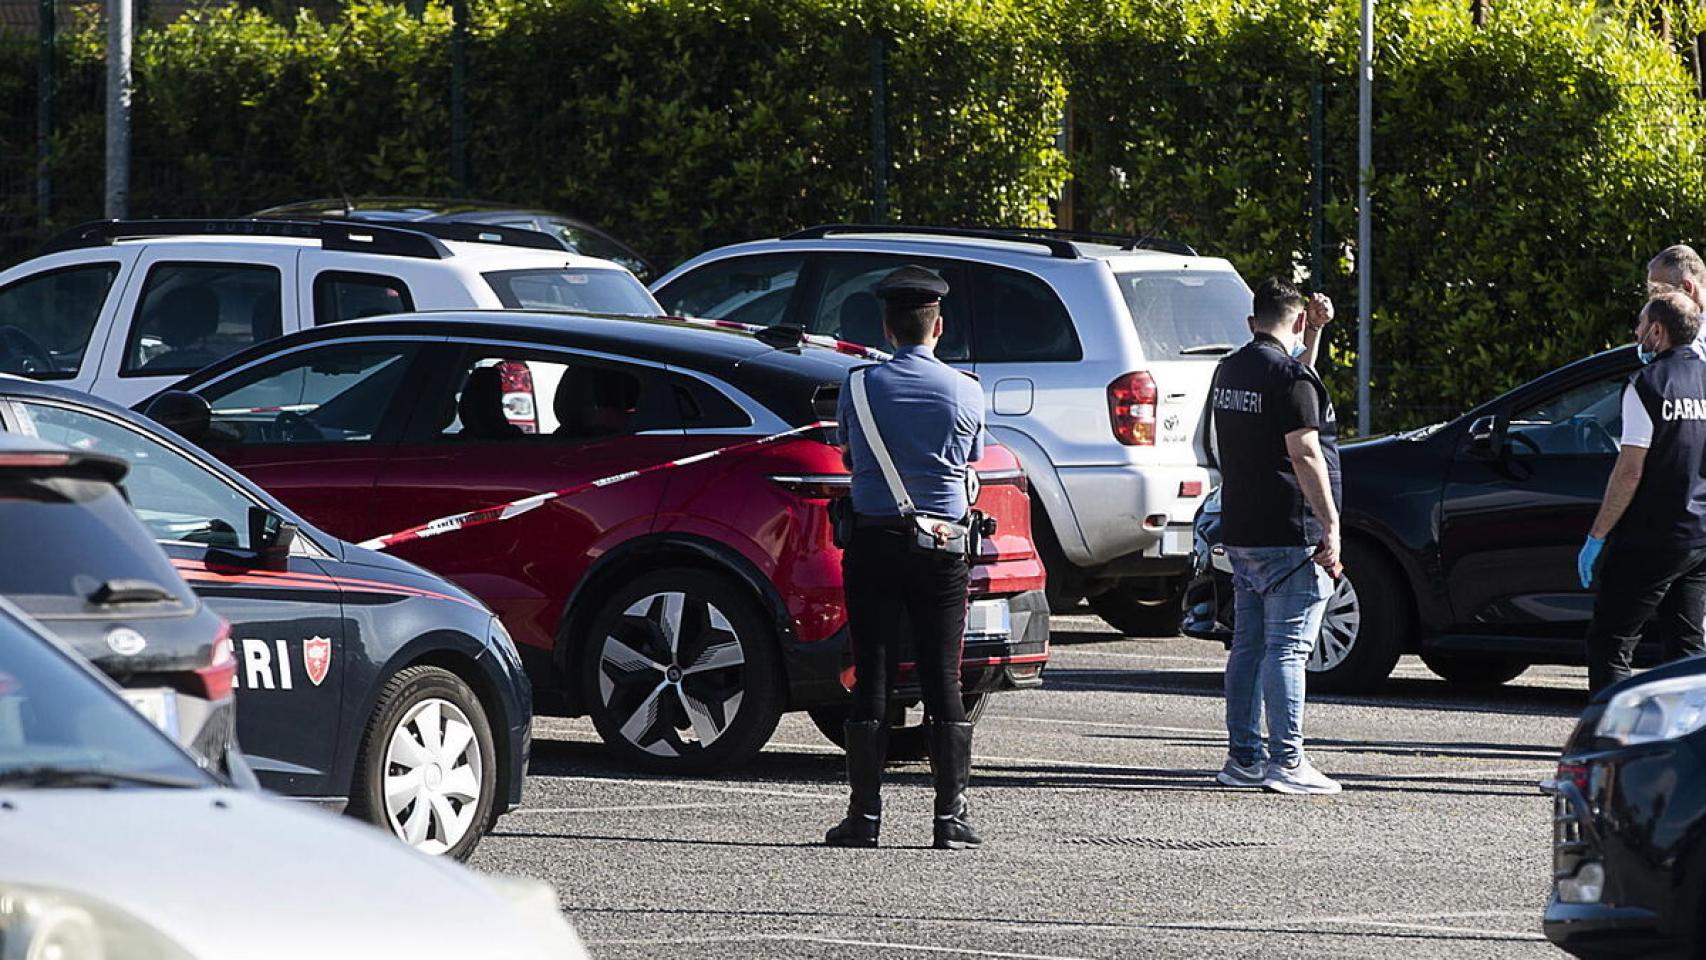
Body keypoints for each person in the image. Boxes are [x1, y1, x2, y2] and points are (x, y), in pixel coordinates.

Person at [825, 265, 987, 850]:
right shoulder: (967, 389)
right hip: (942, 546)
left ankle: (864, 817)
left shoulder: (858, 384)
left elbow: (847, 453)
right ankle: (950, 818)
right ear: (937, 327)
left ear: (887, 328)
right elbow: (971, 460)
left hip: (872, 540)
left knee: (872, 673)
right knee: (943, 675)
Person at [1209, 278, 1343, 795]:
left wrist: (1315, 337)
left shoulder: (1232, 368)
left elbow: (1297, 389)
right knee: (1287, 649)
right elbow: (1305, 449)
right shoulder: (1290, 377)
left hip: (1243, 525)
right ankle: (1287, 762)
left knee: (1247, 646)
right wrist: (1329, 525)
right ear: (1299, 322)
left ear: (1252, 323)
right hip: (1291, 529)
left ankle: (1243, 757)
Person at [1579, 291, 1706, 693]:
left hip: (1651, 538)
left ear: (1656, 330)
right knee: (1686, 647)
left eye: (1640, 324)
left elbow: (1629, 472)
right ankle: (1689, 742)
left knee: (1612, 641)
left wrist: (1596, 536)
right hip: (1698, 536)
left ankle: (1607, 745)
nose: (1635, 332)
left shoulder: (1646, 384)